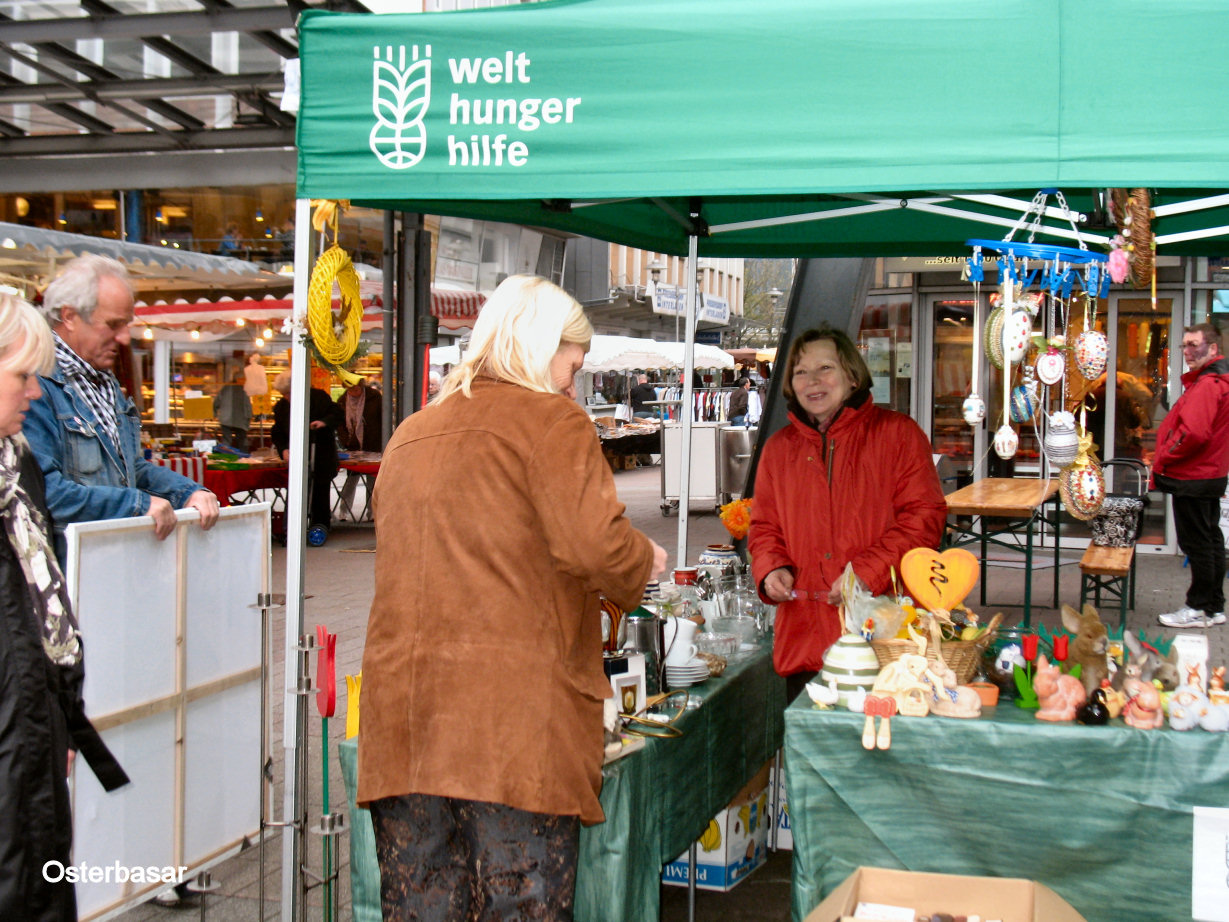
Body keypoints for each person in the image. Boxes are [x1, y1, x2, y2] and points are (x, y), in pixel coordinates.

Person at [358, 275, 667, 922]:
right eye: (570, 364)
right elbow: (594, 549)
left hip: (405, 731)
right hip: (510, 734)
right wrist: (644, 561)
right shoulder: (550, 421)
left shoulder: (411, 433)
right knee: (520, 909)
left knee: (421, 909)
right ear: (537, 346)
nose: (571, 382)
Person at [1, 294, 129, 921]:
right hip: (14, 728)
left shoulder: (16, 463)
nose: (34, 391)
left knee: (45, 870)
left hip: (36, 722)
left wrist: (60, 704)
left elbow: (39, 600)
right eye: (22, 375)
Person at [748, 326, 948, 700]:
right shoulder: (778, 449)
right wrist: (771, 567)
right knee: (812, 754)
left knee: (882, 750)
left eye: (825, 368)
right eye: (800, 372)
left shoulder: (899, 435)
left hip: (885, 644)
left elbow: (924, 520)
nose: (813, 381)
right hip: (805, 642)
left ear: (852, 376)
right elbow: (763, 526)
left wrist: (866, 573)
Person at [23, 254, 219, 563]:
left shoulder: (104, 381)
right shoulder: (35, 383)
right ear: (70, 316)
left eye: (126, 324)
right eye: (113, 325)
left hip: (112, 567)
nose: (125, 337)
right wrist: (138, 504)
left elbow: (129, 469)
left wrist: (187, 492)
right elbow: (46, 493)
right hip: (68, 573)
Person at [1153, 323, 1229, 628]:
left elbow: (1194, 432)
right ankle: (1213, 607)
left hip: (1193, 477)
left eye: (1193, 345)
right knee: (1210, 541)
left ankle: (1197, 608)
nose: (1187, 352)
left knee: (1198, 543)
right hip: (1206, 474)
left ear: (1212, 348)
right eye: (1184, 345)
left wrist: (1165, 456)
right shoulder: (1215, 381)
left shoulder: (1209, 384)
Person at [270, 370, 342, 535]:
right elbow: (277, 432)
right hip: (297, 456)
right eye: (284, 394)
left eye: (288, 393)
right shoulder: (281, 407)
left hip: (320, 453)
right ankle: (294, 527)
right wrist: (284, 450)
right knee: (297, 490)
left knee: (320, 491)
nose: (286, 397)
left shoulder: (318, 397)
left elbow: (337, 414)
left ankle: (320, 525)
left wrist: (323, 422)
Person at [336, 377, 383, 520]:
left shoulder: (374, 397)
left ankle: (372, 513)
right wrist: (345, 441)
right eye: (350, 389)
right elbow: (341, 424)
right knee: (351, 480)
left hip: (373, 443)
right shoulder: (343, 401)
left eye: (356, 389)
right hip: (353, 445)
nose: (354, 392)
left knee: (372, 481)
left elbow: (382, 418)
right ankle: (343, 511)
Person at [214, 369, 252, 451]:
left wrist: (214, 414)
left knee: (226, 441)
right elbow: (247, 406)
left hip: (225, 419)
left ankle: (226, 459)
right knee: (241, 441)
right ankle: (243, 459)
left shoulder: (226, 387)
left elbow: (216, 401)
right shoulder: (244, 389)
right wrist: (249, 418)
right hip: (240, 420)